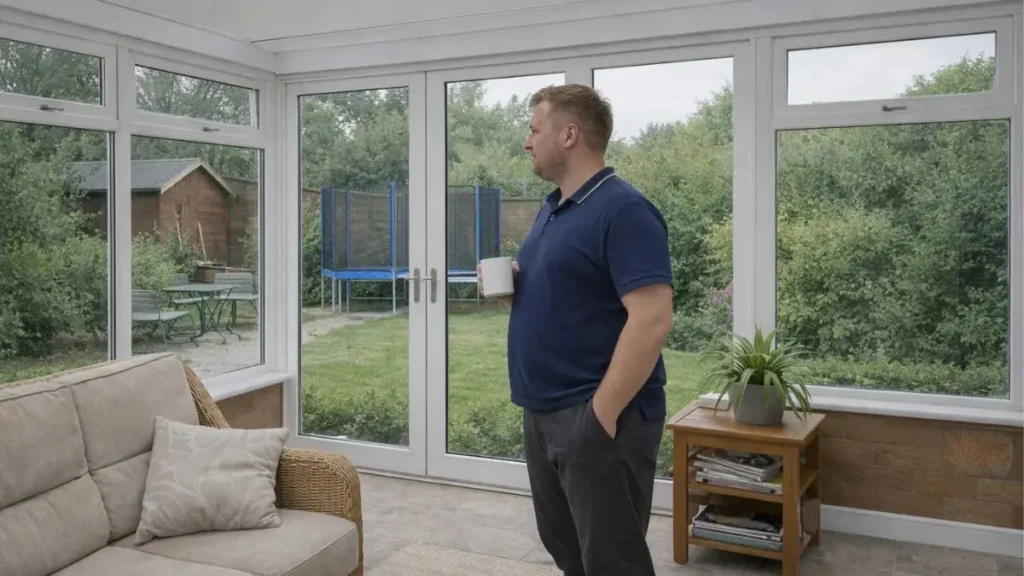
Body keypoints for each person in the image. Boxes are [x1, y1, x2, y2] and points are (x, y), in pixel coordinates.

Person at [478, 84, 673, 576]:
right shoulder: (552, 209)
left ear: (568, 134)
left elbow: (652, 319)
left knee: (613, 560)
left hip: (596, 415)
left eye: (534, 128)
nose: (527, 141)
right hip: (544, 413)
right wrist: (513, 295)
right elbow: (570, 296)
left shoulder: (624, 210)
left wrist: (599, 417)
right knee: (567, 548)